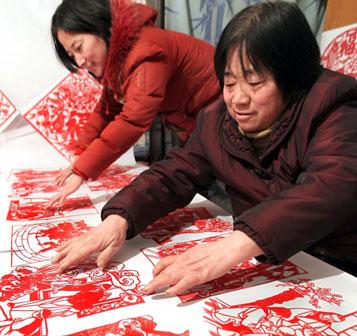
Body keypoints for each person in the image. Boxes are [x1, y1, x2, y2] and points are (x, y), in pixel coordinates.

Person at [53, 1, 357, 295]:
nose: (238, 99)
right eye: (229, 82)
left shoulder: (335, 107)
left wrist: (236, 244)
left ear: (292, 77)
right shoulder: (217, 120)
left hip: (340, 264)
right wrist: (119, 219)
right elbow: (173, 174)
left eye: (254, 83)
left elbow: (331, 186)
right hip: (286, 263)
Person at [47, 0, 221, 206]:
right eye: (71, 55)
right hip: (200, 121)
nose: (79, 61)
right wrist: (80, 153)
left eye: (79, 47)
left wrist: (82, 170)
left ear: (103, 27)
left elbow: (134, 119)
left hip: (223, 114)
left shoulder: (145, 50)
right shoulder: (120, 58)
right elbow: (107, 109)